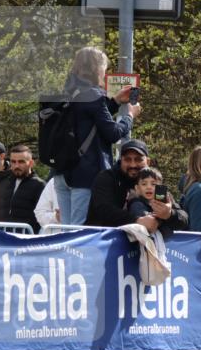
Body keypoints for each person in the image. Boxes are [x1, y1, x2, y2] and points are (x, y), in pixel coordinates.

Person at [55, 47, 139, 225]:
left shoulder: (67, 93)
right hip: (85, 172)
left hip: (61, 171)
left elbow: (88, 119)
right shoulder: (94, 94)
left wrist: (115, 101)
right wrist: (129, 116)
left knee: (66, 231)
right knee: (80, 230)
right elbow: (113, 133)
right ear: (97, 69)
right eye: (104, 68)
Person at [86, 139, 187, 235]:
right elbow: (103, 210)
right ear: (121, 160)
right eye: (127, 159)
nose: (133, 164)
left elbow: (184, 218)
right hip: (101, 243)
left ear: (148, 161)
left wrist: (169, 214)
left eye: (138, 159)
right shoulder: (106, 178)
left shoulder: (156, 184)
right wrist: (137, 220)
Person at [0, 145, 45, 232]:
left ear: (31, 163)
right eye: (13, 162)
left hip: (26, 239)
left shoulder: (39, 185)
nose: (16, 166)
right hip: (3, 236)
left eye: (21, 162)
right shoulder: (4, 182)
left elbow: (42, 215)